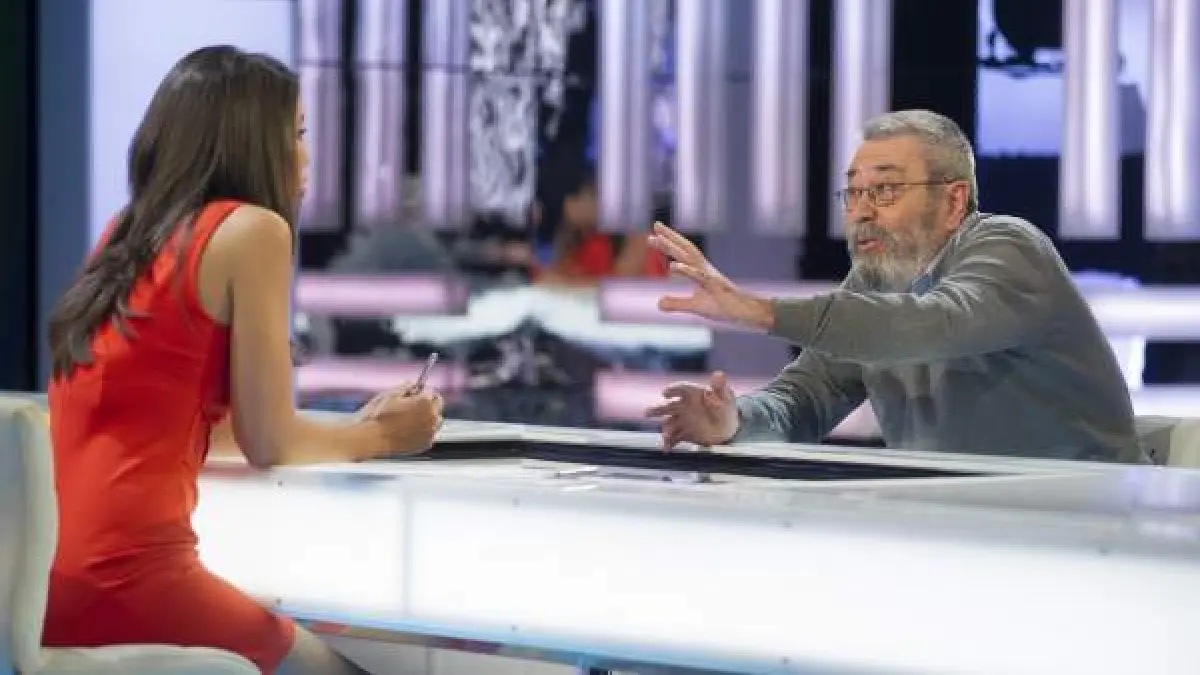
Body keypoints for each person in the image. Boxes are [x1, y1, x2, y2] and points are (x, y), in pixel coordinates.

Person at [43, 46, 442, 675]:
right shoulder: (253, 230)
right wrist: (386, 437)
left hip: (56, 588)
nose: (307, 156)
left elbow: (203, 431)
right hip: (137, 583)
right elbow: (268, 442)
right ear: (253, 140)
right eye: (298, 134)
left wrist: (353, 429)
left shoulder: (126, 233)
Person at [646, 109, 1143, 463]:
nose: (861, 211)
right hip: (955, 529)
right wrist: (733, 421)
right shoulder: (874, 281)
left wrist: (762, 311)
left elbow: (933, 325)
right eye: (853, 192)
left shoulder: (1008, 247)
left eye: (884, 190)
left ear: (953, 202)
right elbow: (804, 400)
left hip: (1085, 525)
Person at [535, 165, 669, 285]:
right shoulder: (587, 239)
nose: (567, 208)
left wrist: (565, 284)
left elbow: (620, 284)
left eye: (574, 201)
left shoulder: (639, 235)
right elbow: (556, 274)